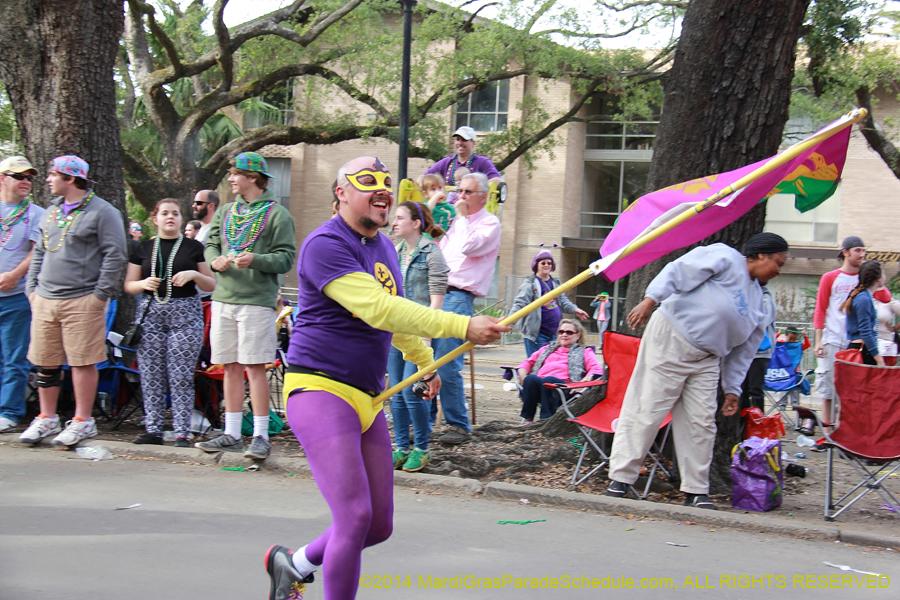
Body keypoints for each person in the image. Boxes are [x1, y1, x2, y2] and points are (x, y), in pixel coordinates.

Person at [264, 156, 508, 600]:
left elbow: (390, 321)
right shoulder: (324, 243)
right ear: (341, 192)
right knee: (354, 517)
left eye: (386, 183)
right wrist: (460, 326)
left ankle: (294, 563)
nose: (382, 190)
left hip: (368, 398)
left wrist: (423, 360)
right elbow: (376, 308)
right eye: (367, 182)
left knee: (376, 526)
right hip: (320, 389)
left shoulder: (381, 248)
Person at [605, 233, 788, 510]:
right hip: (672, 337)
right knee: (648, 408)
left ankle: (696, 490)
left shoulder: (761, 301)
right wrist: (651, 299)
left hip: (708, 358)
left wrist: (732, 388)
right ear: (761, 255)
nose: (779, 270)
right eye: (778, 262)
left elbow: (745, 350)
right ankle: (621, 478)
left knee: (701, 422)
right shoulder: (724, 257)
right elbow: (678, 271)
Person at [20, 155, 128, 446]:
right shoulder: (51, 211)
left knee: (82, 362)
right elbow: (40, 251)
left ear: (70, 179)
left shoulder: (103, 212)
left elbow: (115, 254)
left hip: (82, 299)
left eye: (53, 174)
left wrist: (98, 296)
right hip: (45, 298)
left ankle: (83, 421)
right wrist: (32, 288)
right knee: (45, 362)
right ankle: (47, 418)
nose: (47, 179)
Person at [195, 152, 296, 460]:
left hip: (256, 303)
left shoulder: (278, 214)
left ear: (253, 177)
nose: (230, 179)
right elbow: (211, 242)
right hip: (223, 300)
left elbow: (287, 257)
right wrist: (214, 259)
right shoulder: (225, 211)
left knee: (254, 368)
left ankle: (262, 436)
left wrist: (258, 260)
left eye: (235, 173)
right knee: (230, 367)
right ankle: (232, 433)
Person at [124, 199, 216, 446]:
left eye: (175, 213)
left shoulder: (193, 247)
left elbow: (210, 284)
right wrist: (143, 284)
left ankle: (182, 431)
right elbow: (129, 285)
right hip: (151, 313)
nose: (170, 217)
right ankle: (153, 428)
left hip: (185, 315)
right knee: (151, 372)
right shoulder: (143, 248)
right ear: (155, 219)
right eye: (164, 213)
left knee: (181, 375)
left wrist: (195, 275)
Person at [431, 171, 502, 445]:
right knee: (425, 361)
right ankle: (423, 422)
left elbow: (469, 247)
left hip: (459, 296)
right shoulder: (455, 222)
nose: (460, 197)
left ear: (483, 197)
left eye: (467, 192)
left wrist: (460, 218)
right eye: (458, 191)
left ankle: (458, 425)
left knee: (447, 364)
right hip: (436, 294)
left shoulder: (489, 223)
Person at [387, 200, 448, 473]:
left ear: (415, 223)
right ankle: (401, 448)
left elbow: (436, 302)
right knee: (396, 392)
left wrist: (426, 338)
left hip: (419, 333)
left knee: (414, 393)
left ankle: (422, 449)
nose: (394, 222)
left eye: (400, 217)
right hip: (394, 333)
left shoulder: (431, 253)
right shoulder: (394, 251)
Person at [0, 157, 44, 434]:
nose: (25, 181)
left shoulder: (36, 213)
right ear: (2, 178)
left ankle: (9, 412)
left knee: (14, 358)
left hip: (17, 296)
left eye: (29, 177)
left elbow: (37, 250)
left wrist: (14, 274)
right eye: (19, 176)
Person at [812, 235, 865, 436]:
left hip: (856, 343)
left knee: (851, 392)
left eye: (863, 251)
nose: (862, 254)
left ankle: (846, 434)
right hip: (832, 339)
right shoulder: (830, 277)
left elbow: (883, 297)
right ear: (846, 252)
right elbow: (820, 309)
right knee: (828, 390)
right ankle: (828, 434)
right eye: (858, 250)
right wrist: (818, 341)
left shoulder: (864, 277)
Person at [516, 319, 603, 424]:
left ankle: (545, 420)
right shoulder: (547, 348)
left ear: (578, 335)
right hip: (539, 386)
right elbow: (527, 363)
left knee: (549, 380)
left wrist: (582, 383)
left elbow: (596, 369)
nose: (564, 335)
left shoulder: (584, 351)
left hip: (565, 388)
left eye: (569, 332)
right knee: (530, 379)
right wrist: (522, 376)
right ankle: (528, 419)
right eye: (561, 332)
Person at [511, 247, 589, 357]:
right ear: (536, 265)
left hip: (554, 334)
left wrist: (575, 309)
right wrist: (510, 322)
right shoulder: (530, 284)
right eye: (543, 263)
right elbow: (520, 304)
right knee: (538, 366)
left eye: (549, 263)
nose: (546, 265)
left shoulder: (555, 283)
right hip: (537, 335)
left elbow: (563, 301)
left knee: (550, 366)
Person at [423, 126, 501, 191]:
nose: (459, 143)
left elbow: (497, 180)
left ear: (473, 143)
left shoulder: (482, 162)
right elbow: (424, 177)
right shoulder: (446, 162)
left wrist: (474, 188)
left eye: (464, 140)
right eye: (457, 139)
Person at [739, 282, 777, 412]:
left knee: (755, 389)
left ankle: (758, 422)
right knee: (741, 389)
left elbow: (764, 320)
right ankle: (742, 424)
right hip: (743, 351)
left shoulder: (765, 297)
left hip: (760, 351)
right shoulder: (742, 295)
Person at [841, 260, 886, 366]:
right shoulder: (863, 299)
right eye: (883, 273)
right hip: (863, 350)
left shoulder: (863, 296)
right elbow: (865, 331)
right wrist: (878, 358)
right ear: (878, 278)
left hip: (862, 348)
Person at [873, 282, 900, 357]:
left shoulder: (889, 301)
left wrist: (894, 328)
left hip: (884, 342)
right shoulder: (863, 298)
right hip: (866, 342)